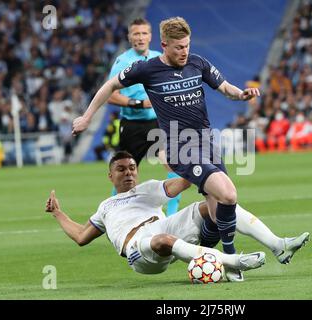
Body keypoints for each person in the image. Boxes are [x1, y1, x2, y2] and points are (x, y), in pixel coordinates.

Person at [72, 17, 261, 281]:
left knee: (220, 205)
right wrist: (87, 117)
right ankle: (230, 258)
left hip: (207, 143)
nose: (184, 51)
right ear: (164, 45)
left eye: (186, 45)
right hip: (177, 145)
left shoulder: (198, 63)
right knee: (226, 194)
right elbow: (110, 85)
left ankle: (213, 255)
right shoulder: (146, 69)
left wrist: (241, 94)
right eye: (178, 47)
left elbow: (225, 87)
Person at [45, 151, 310, 280]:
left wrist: (172, 164)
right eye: (122, 169)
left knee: (214, 203)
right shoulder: (106, 207)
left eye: (132, 168)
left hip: (164, 226)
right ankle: (231, 261)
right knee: (162, 240)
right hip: (138, 248)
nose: (128, 172)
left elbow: (183, 181)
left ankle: (279, 245)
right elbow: (81, 236)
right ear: (110, 175)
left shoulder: (147, 189)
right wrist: (58, 213)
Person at [106, 18, 181, 215]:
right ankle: (114, 215)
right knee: (124, 175)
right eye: (136, 34)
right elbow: (110, 95)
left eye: (144, 33)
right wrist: (138, 103)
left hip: (158, 122)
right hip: (132, 125)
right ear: (130, 37)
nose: (140, 37)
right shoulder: (122, 62)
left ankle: (171, 219)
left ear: (150, 36)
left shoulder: (160, 58)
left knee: (173, 165)